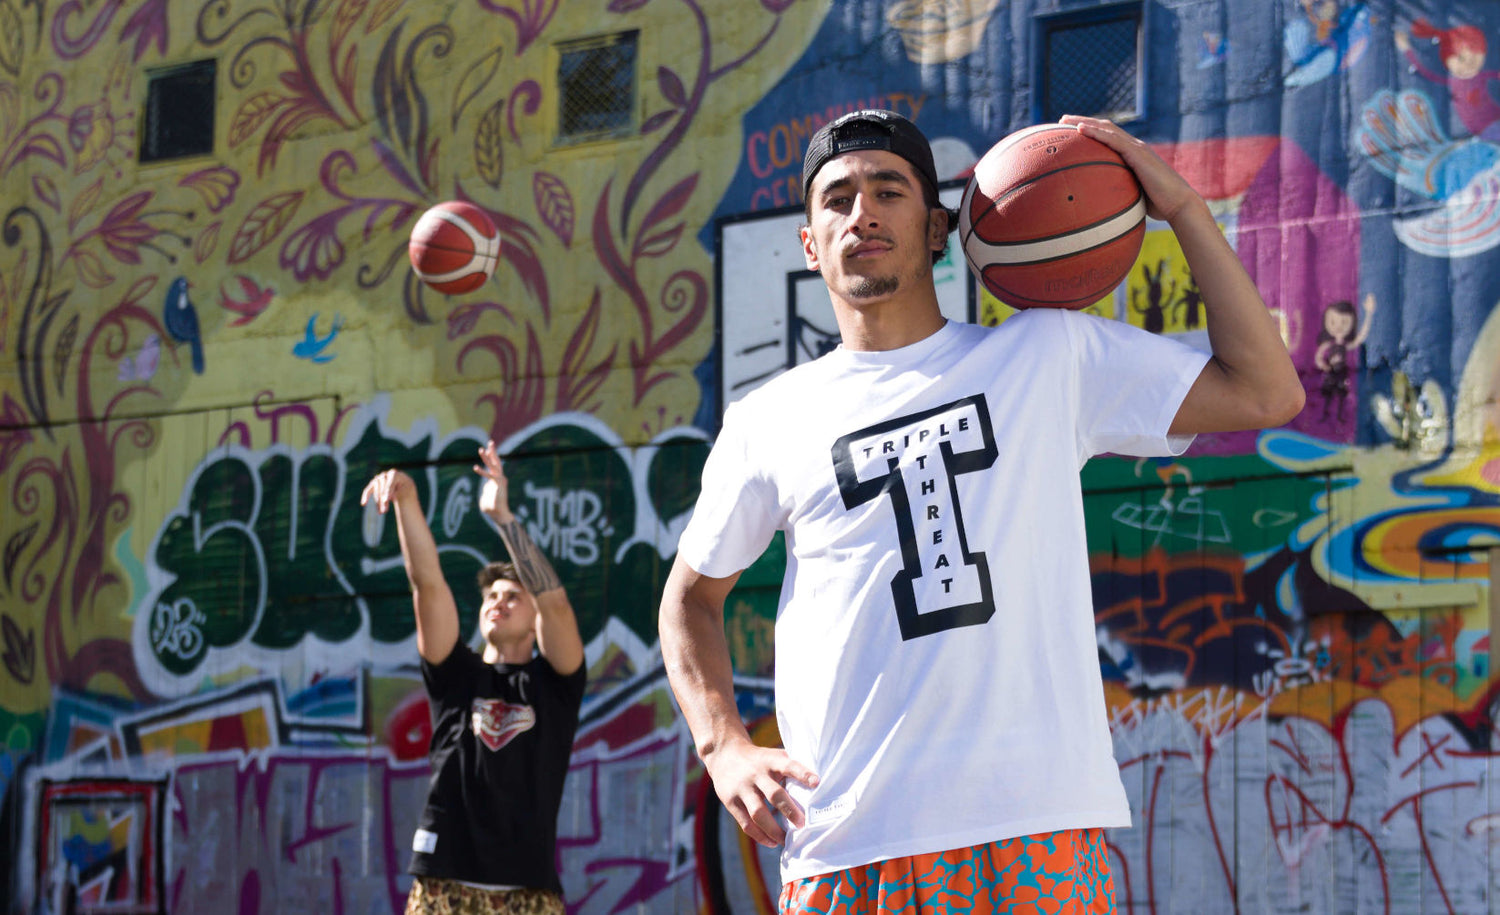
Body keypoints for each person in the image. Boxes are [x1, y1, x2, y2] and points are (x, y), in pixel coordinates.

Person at [658, 109, 1304, 913]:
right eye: (836, 198)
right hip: (848, 843)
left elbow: (1267, 389)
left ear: (936, 228)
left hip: (1036, 828)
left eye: (886, 190)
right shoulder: (770, 418)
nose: (860, 211)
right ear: (809, 245)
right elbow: (689, 598)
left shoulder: (1045, 353)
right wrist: (723, 747)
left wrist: (1182, 208)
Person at [362, 442, 586, 915]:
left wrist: (501, 518)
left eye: (512, 596)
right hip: (443, 883)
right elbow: (427, 583)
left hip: (527, 893)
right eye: (490, 596)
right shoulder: (455, 674)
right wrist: (406, 500)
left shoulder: (556, 684)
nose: (497, 602)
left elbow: (556, 605)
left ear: (533, 619)